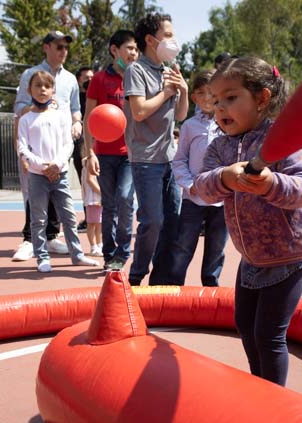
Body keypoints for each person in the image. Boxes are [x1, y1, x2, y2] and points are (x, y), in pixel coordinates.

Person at [193, 56, 302, 386]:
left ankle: (274, 405)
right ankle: (260, 389)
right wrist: (224, 178)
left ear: (262, 98)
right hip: (251, 259)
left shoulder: (282, 137)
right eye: (216, 101)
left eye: (231, 98)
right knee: (245, 327)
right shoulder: (219, 148)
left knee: (268, 335)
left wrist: (271, 184)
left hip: (289, 257)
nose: (220, 109)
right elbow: (202, 188)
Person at [123, 13, 189, 285]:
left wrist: (183, 90)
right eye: (168, 34)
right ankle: (136, 277)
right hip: (146, 160)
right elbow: (138, 112)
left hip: (169, 159)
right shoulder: (135, 70)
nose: (174, 41)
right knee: (153, 222)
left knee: (173, 223)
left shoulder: (170, 71)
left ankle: (161, 281)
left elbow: (181, 116)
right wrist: (166, 93)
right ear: (151, 40)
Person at [17, 71, 99, 272]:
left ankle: (77, 255)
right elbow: (22, 148)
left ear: (53, 90)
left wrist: (56, 164)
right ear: (29, 90)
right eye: (37, 86)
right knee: (39, 218)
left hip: (59, 174)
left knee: (69, 216)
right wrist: (42, 166)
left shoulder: (61, 116)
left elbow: (68, 144)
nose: (42, 90)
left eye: (47, 86)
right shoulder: (26, 119)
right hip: (38, 176)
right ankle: (42, 258)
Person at [12, 30, 83, 261]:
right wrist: (39, 108)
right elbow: (19, 107)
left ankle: (52, 237)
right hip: (35, 144)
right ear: (46, 47)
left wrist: (77, 123)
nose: (63, 51)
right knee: (34, 193)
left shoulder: (71, 79)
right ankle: (30, 240)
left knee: (57, 193)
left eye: (66, 47)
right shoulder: (30, 75)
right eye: (58, 46)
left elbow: (75, 109)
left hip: (60, 145)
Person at [84, 29, 138, 271]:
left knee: (126, 198)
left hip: (130, 154)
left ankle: (123, 251)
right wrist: (90, 153)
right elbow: (88, 118)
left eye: (137, 49)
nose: (134, 53)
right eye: (130, 48)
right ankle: (109, 254)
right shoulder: (98, 79)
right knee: (109, 205)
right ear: (114, 50)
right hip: (104, 154)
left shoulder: (138, 78)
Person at [169, 69, 227, 287]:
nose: (208, 98)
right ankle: (175, 288)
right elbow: (179, 160)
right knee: (183, 246)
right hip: (193, 199)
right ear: (194, 97)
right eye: (202, 93)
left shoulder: (229, 124)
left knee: (216, 248)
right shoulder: (190, 126)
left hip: (221, 200)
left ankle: (211, 289)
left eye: (213, 93)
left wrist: (227, 185)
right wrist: (190, 185)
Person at [74, 66, 94, 232]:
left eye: (92, 77)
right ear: (79, 79)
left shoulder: (96, 96)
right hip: (80, 143)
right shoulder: (76, 98)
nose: (90, 80)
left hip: (98, 142)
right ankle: (90, 218)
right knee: (86, 181)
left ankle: (100, 219)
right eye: (86, 77)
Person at [81, 156, 102, 257]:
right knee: (92, 224)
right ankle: (93, 247)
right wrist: (102, 193)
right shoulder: (89, 160)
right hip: (93, 198)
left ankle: (99, 245)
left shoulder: (97, 159)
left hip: (97, 198)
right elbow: (90, 180)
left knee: (99, 224)